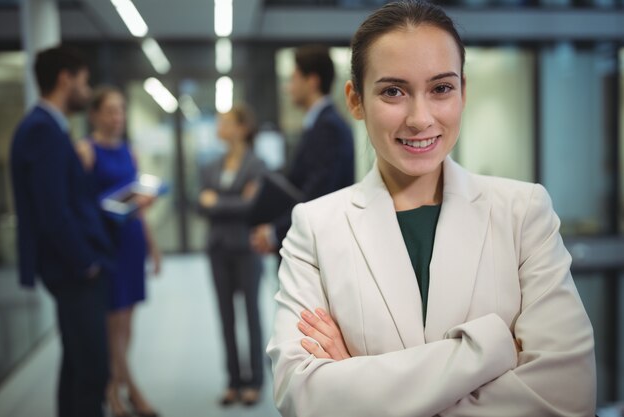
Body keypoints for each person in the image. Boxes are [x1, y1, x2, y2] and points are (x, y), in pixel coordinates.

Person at [266, 1, 597, 416]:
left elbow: (567, 397)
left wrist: (358, 378)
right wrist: (494, 350)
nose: (420, 118)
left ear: (463, 91)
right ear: (355, 100)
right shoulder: (314, 227)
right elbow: (303, 396)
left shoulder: (524, 212)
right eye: (393, 91)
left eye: (441, 88)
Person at [10, 46, 114, 417]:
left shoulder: (50, 129)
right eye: (84, 83)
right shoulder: (42, 130)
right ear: (65, 79)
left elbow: (60, 195)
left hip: (70, 265)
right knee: (92, 370)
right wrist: (85, 262)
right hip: (72, 268)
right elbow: (53, 211)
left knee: (76, 364)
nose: (86, 92)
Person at [75, 86, 161, 417]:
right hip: (106, 244)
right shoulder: (86, 151)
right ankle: (123, 390)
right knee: (112, 322)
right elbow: (80, 205)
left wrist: (153, 247)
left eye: (121, 110)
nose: (117, 117)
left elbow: (137, 206)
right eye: (110, 110)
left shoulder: (130, 151)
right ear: (94, 114)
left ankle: (118, 386)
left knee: (127, 323)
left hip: (131, 242)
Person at [250, 45, 355, 254]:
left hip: (321, 247)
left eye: (293, 79)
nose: (287, 88)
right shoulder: (318, 124)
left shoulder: (328, 127)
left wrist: (275, 232)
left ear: (312, 81)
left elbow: (319, 195)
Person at [199, 104, 266, 406]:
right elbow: (199, 204)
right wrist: (234, 201)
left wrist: (218, 202)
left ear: (242, 128)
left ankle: (255, 382)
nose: (219, 127)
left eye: (225, 122)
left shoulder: (256, 165)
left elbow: (252, 207)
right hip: (217, 248)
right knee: (225, 316)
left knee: (251, 314)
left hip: (246, 248)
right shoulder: (210, 166)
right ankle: (233, 381)